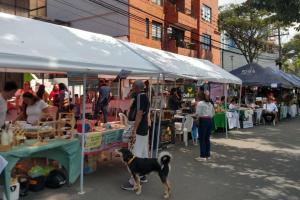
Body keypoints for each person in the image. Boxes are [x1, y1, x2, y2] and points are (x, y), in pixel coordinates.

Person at [121, 80, 150, 191]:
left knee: (135, 154)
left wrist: (134, 130)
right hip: (143, 129)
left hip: (139, 129)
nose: (132, 89)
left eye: (133, 87)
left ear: (137, 87)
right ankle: (142, 175)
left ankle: (134, 182)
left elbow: (139, 113)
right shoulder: (143, 96)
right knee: (142, 152)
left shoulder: (140, 97)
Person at [195, 91, 215, 161]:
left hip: (203, 121)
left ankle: (202, 156)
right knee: (207, 139)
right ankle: (208, 155)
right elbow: (213, 114)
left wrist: (196, 117)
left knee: (202, 139)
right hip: (209, 121)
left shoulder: (200, 103)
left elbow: (197, 113)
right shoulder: (210, 104)